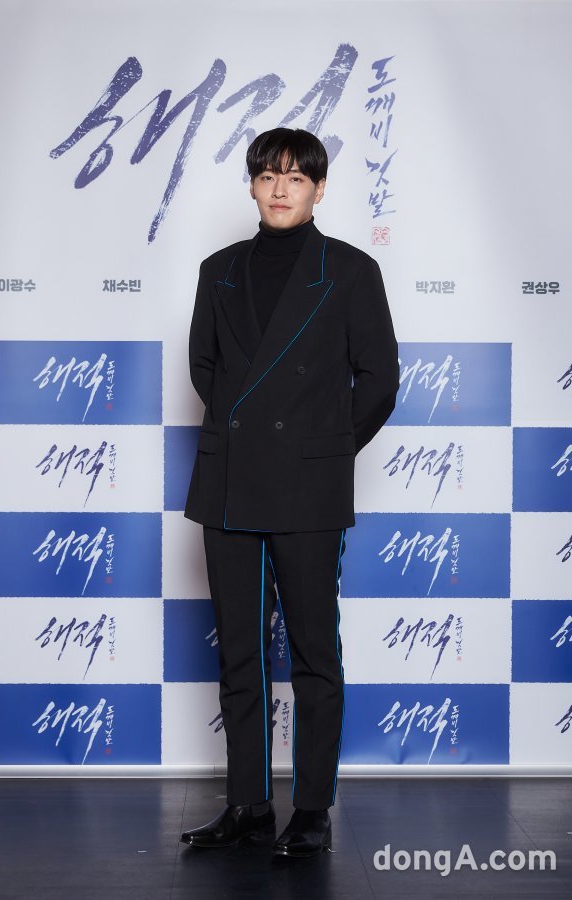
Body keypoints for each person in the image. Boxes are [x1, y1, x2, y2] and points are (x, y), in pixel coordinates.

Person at [180, 127, 399, 857]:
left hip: (308, 488)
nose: (281, 188)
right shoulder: (218, 270)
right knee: (239, 653)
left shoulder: (351, 270)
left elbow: (379, 380)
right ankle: (247, 802)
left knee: (314, 655)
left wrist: (319, 451)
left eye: (297, 177)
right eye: (268, 175)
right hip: (229, 483)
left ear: (319, 189)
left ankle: (311, 809)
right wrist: (249, 439)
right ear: (251, 185)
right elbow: (206, 368)